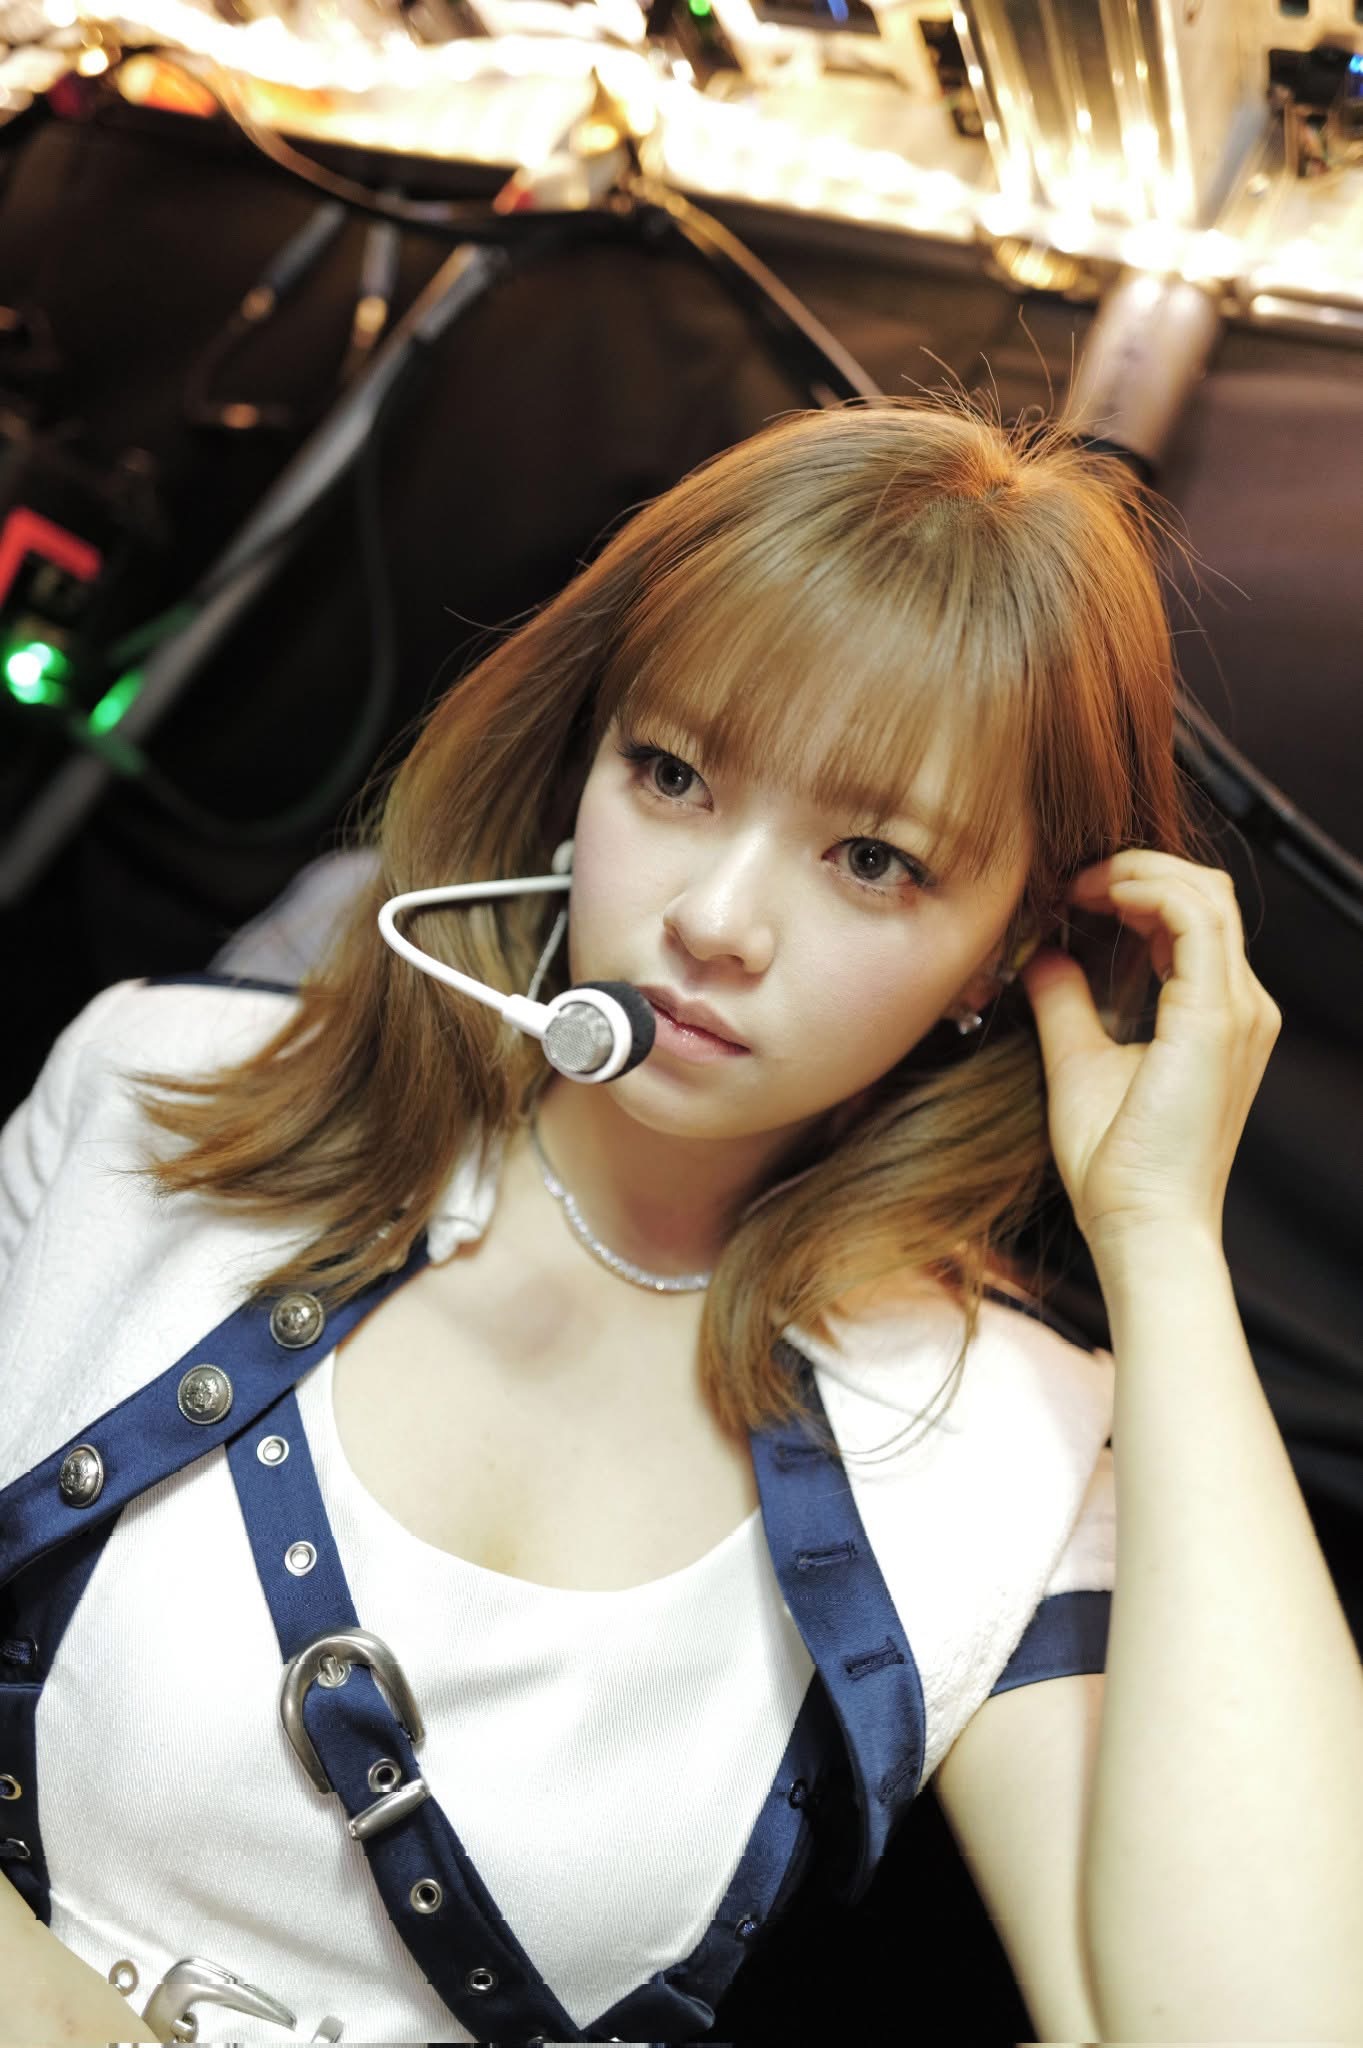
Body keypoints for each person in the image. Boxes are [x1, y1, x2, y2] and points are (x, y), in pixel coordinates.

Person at [2, 397, 1360, 2047]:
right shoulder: (154, 1090)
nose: (715, 921)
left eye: (875, 859)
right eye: (672, 774)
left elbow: (1261, 2025)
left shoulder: (1002, 1440)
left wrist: (1162, 1245)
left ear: (1009, 953)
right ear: (579, 765)